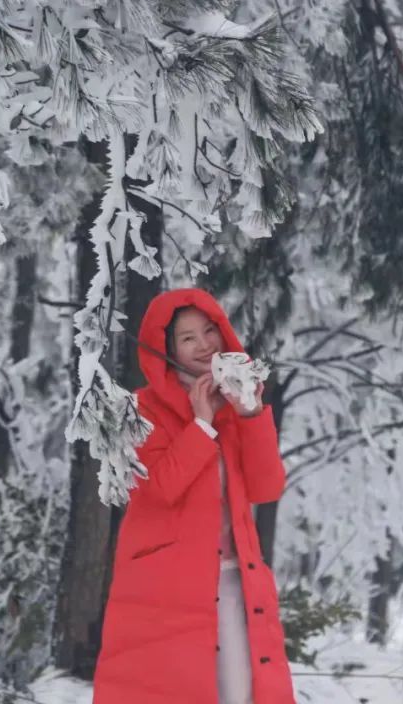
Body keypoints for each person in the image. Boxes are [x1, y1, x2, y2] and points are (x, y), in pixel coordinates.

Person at [92, 288, 295, 704]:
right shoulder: (141, 409)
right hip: (168, 589)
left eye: (209, 331)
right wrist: (200, 425)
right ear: (167, 349)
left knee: (243, 695)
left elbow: (266, 487)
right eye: (188, 338)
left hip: (235, 579)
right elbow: (160, 488)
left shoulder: (234, 403)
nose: (204, 344)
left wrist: (251, 417)